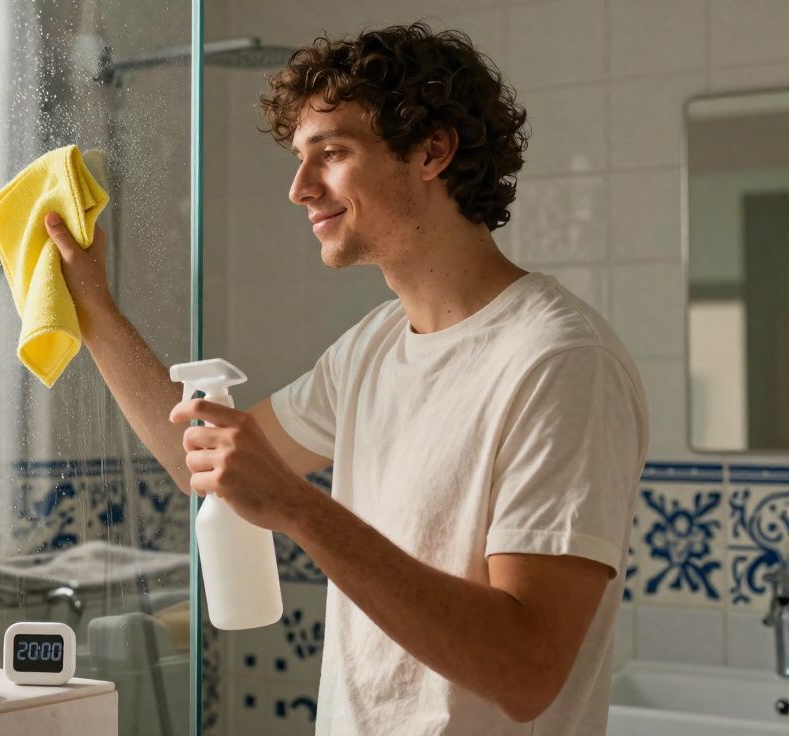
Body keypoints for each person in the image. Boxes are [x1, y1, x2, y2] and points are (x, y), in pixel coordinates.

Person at [44, 22, 648, 735]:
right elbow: (197, 460)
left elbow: (526, 671)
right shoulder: (372, 348)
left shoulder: (558, 361)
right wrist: (93, 310)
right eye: (301, 158)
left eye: (331, 153)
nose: (300, 189)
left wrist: (299, 510)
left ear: (432, 150)